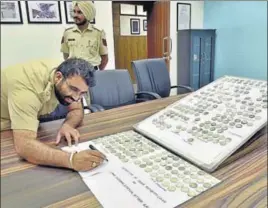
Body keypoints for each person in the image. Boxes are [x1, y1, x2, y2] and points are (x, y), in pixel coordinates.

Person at [1, 58, 105, 172]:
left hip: (24, 117)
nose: (76, 97)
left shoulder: (70, 75)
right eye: (73, 89)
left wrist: (68, 125)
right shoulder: (26, 90)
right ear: (58, 77)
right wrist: (71, 160)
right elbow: (24, 146)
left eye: (82, 93)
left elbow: (76, 109)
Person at [60, 1, 108, 71]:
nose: (75, 15)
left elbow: (104, 57)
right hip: (73, 72)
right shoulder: (67, 33)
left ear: (87, 14)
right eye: (74, 11)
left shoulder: (98, 33)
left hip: (92, 71)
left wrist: (99, 74)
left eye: (79, 12)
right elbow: (66, 55)